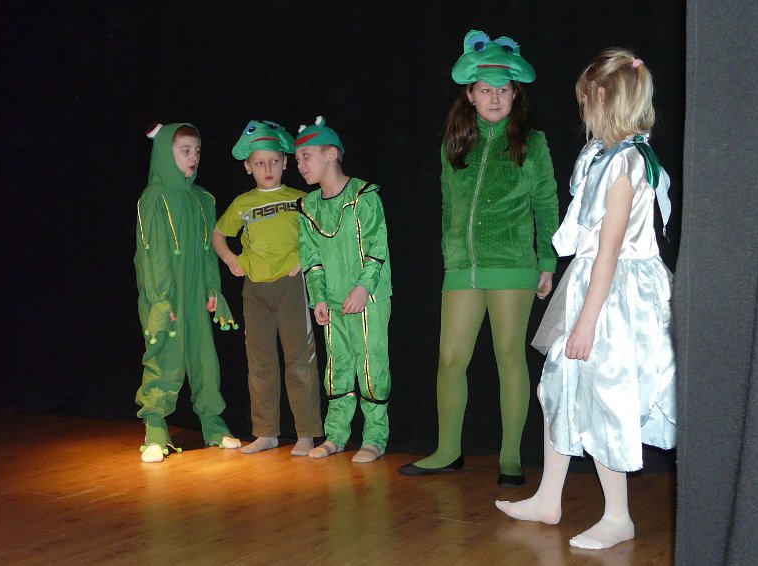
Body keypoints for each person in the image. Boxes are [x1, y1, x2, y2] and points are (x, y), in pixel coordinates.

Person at [495, 49, 677, 550]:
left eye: (585, 101)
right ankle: (548, 497)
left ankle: (618, 516)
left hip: (614, 294)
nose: (583, 111)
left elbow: (610, 250)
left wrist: (586, 322)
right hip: (593, 283)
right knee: (558, 387)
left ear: (602, 97)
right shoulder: (602, 154)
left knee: (605, 397)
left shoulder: (626, 164)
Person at [398, 30, 559, 486]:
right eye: (486, 90)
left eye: (503, 90)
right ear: (470, 94)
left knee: (509, 356)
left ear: (515, 94)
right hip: (462, 267)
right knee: (450, 357)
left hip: (513, 264)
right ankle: (448, 450)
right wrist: (450, 254)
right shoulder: (453, 143)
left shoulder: (532, 142)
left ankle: (511, 456)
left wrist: (547, 260)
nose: (494, 98)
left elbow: (546, 203)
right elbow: (448, 204)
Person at [212, 120, 323, 456]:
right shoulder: (242, 203)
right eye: (259, 163)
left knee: (299, 361)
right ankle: (266, 433)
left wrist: (304, 259)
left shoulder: (301, 198)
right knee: (260, 363)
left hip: (290, 286)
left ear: (285, 162)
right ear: (248, 167)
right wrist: (231, 260)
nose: (268, 168)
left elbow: (324, 234)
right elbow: (218, 235)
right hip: (254, 291)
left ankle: (306, 434)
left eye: (274, 161)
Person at [134, 122, 242, 463]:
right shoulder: (154, 198)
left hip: (195, 292)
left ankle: (212, 423)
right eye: (184, 151)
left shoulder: (202, 199)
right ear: (166, 153)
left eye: (196, 151)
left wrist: (212, 287)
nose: (193, 157)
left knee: (204, 357)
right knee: (164, 355)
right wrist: (160, 298)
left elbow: (208, 249)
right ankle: (155, 427)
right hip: (166, 293)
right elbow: (151, 254)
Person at [295, 117, 392, 463]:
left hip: (369, 298)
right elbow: (311, 258)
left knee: (370, 364)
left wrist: (363, 287)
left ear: (331, 154)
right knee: (337, 367)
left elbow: (376, 246)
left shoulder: (363, 196)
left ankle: (375, 437)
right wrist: (318, 297)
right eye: (298, 159)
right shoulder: (308, 207)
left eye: (306, 156)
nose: (300, 165)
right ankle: (336, 435)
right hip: (334, 300)